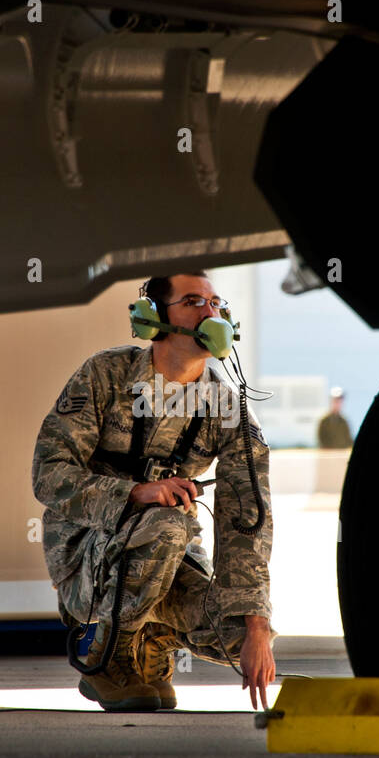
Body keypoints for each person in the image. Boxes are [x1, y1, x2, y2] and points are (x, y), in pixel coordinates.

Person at [31, 272, 277, 713]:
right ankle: (109, 654)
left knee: (238, 632)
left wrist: (257, 623)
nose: (210, 313)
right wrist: (135, 493)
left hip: (170, 553)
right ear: (154, 319)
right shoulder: (106, 375)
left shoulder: (226, 406)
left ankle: (150, 639)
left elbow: (248, 521)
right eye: (193, 302)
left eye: (216, 303)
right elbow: (49, 475)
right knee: (168, 525)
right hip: (90, 557)